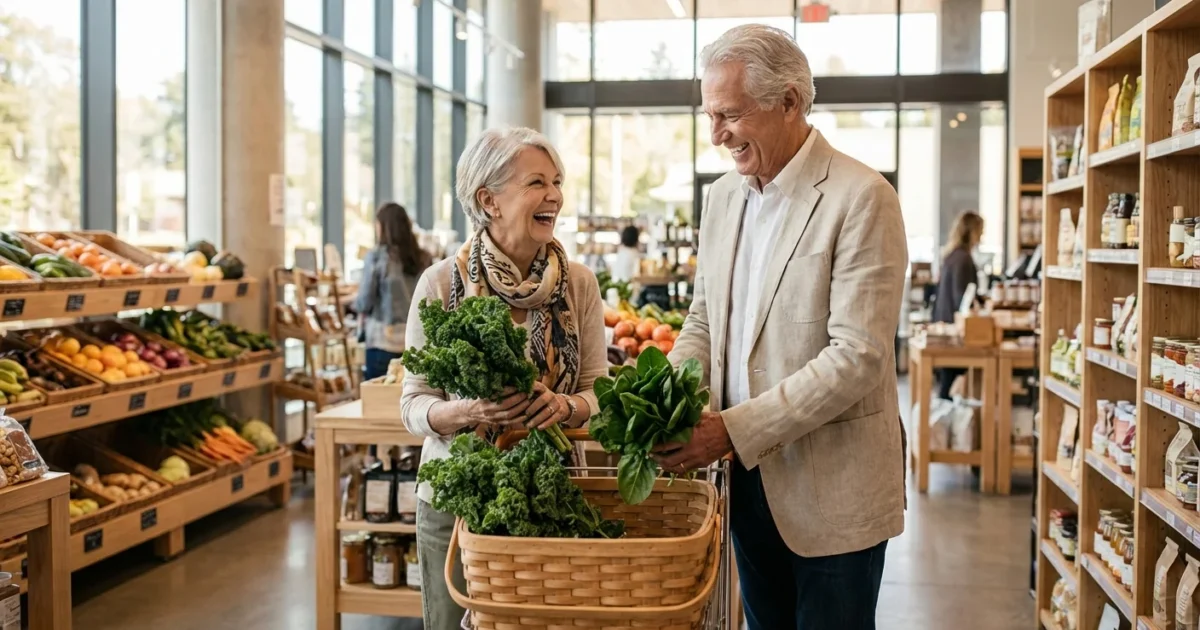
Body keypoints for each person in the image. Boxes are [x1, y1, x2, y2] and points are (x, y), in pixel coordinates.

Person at [653, 24, 907, 630]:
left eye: (730, 115)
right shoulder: (721, 199)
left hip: (834, 491)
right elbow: (704, 320)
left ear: (789, 101)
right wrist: (665, 396)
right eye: (709, 116)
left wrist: (731, 432)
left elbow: (857, 356)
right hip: (746, 489)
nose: (716, 136)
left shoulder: (861, 197)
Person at [400, 126, 609, 630]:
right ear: (488, 200)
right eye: (537, 183)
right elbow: (413, 405)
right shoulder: (441, 283)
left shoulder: (579, 284)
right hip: (457, 503)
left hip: (556, 491)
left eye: (557, 182)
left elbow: (601, 390)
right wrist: (470, 411)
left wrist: (566, 408)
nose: (554, 196)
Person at [354, 203, 431, 381]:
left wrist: (351, 302)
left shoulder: (376, 257)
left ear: (383, 227)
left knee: (377, 401)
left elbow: (364, 301)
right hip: (416, 342)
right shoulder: (424, 258)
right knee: (412, 401)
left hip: (382, 342)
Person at [932, 211, 985, 400]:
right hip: (955, 330)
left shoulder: (951, 256)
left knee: (946, 383)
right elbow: (962, 298)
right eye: (980, 231)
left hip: (943, 322)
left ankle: (942, 424)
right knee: (948, 384)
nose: (982, 236)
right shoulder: (964, 259)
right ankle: (945, 425)